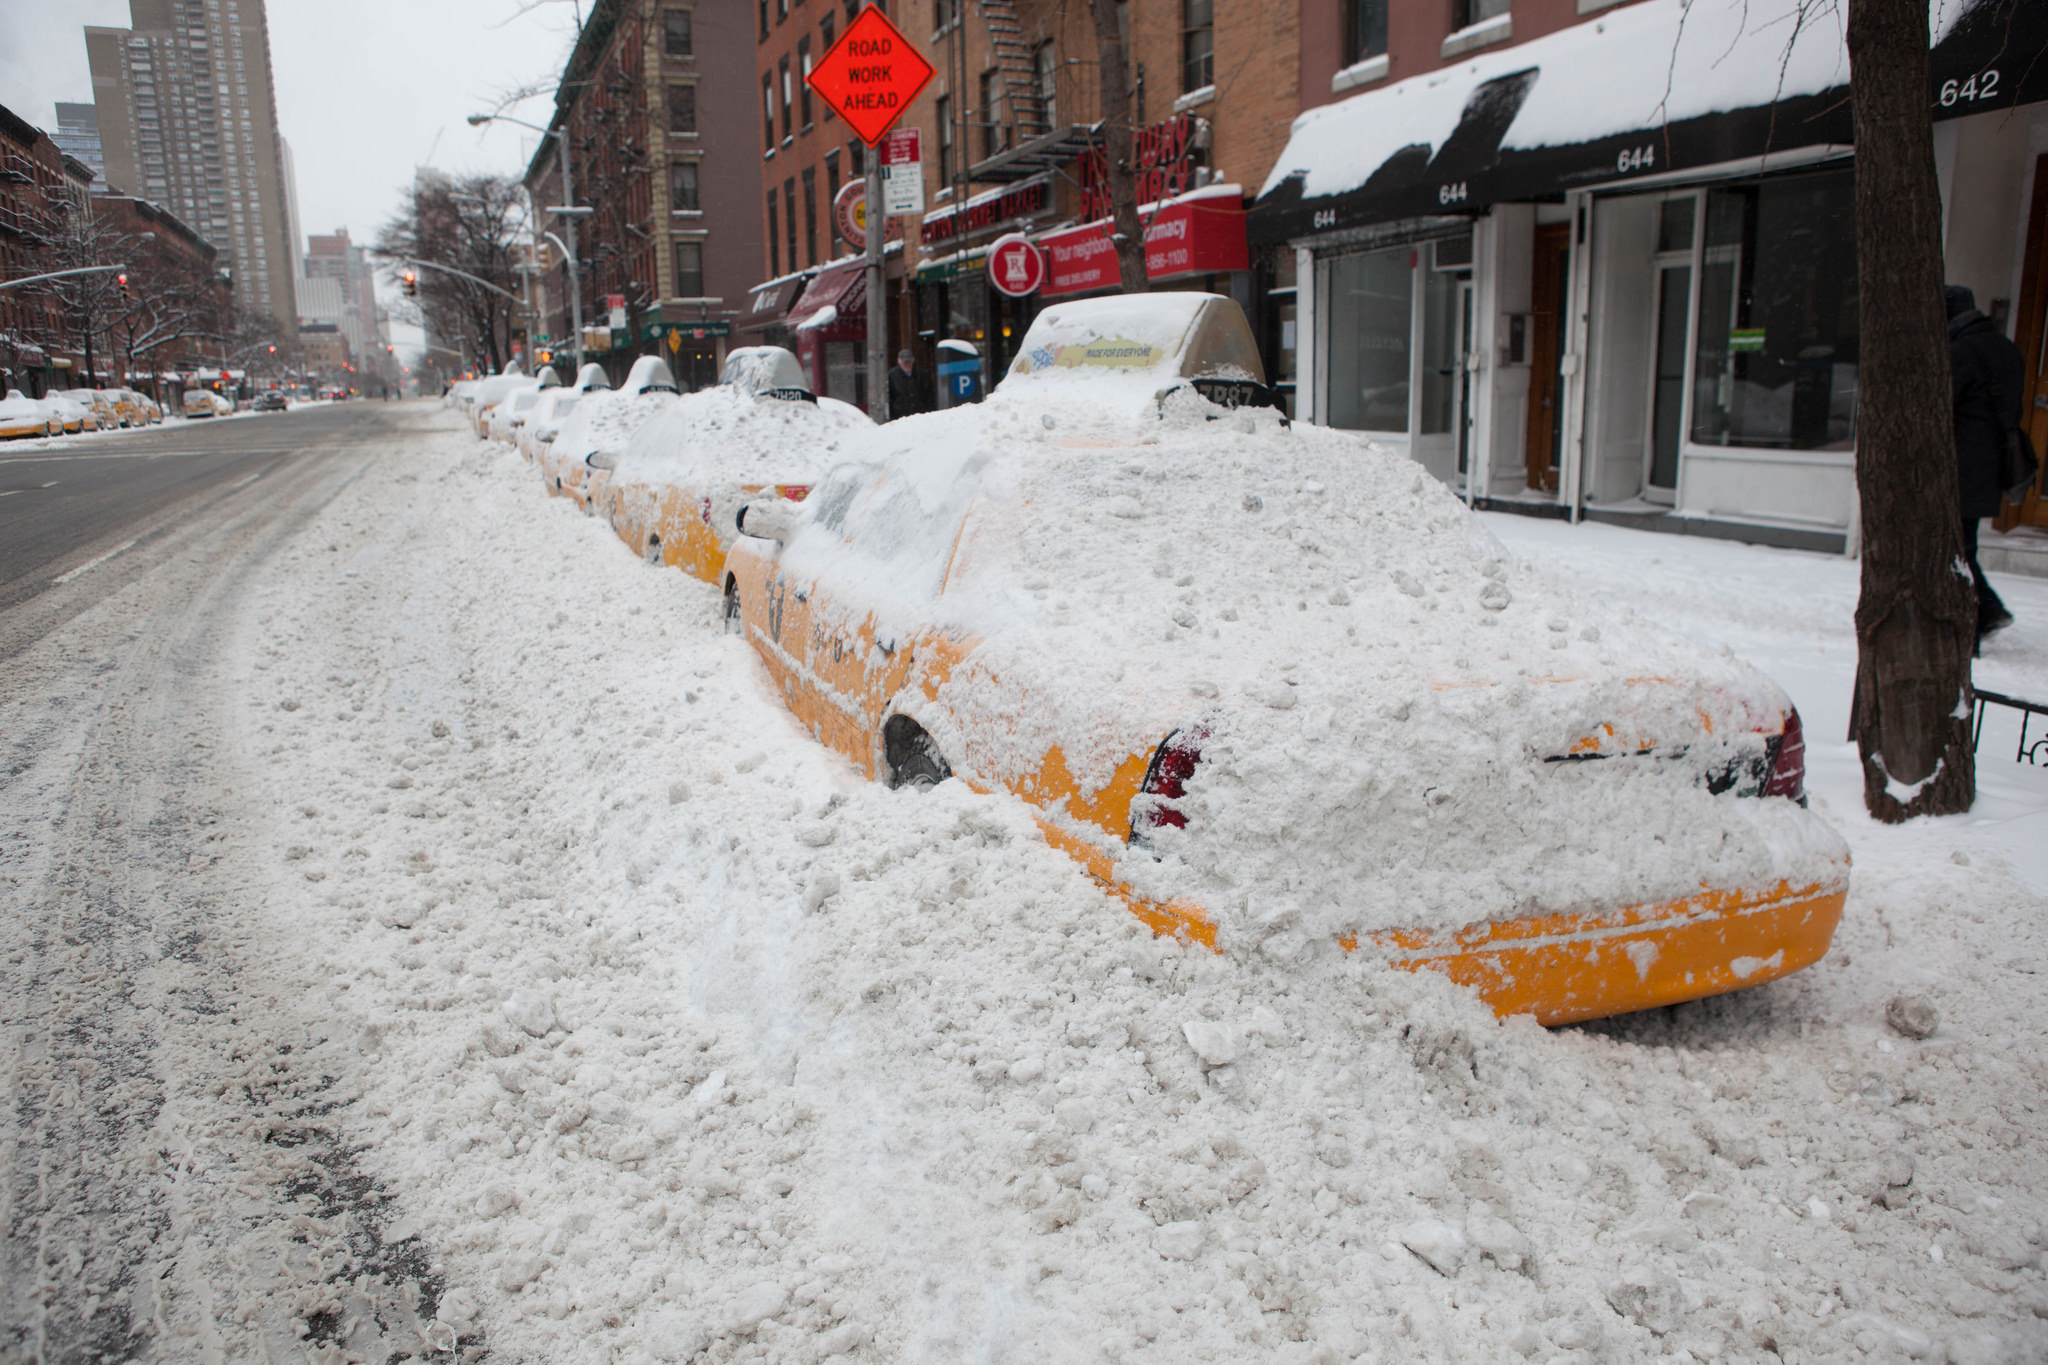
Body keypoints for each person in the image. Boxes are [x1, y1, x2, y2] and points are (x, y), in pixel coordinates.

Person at [1948, 284, 2025, 648]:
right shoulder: (2006, 350)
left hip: (1964, 466)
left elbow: (1946, 405)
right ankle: (1985, 612)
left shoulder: (1962, 352)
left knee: (1958, 550)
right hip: (1990, 465)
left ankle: (1982, 615)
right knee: (1965, 546)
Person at [885, 348, 929, 422]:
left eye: (909, 362)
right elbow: (890, 397)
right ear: (899, 361)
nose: (907, 364)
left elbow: (927, 395)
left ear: (912, 361)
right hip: (900, 416)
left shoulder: (921, 375)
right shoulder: (892, 376)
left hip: (919, 415)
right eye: (904, 362)